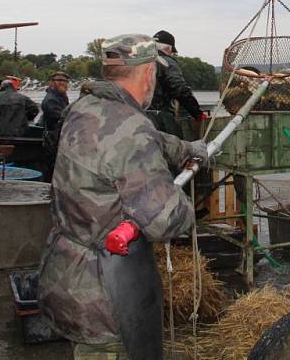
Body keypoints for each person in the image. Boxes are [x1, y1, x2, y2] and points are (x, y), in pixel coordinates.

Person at [38, 34, 207, 360]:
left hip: (66, 272)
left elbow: (142, 137)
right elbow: (163, 220)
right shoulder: (130, 128)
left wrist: (186, 149)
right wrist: (184, 199)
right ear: (148, 73)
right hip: (106, 292)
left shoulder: (86, 107)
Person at [148, 29, 206, 137]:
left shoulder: (140, 62)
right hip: (159, 119)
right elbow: (179, 89)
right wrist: (197, 113)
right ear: (167, 48)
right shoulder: (166, 62)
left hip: (139, 117)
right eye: (171, 51)